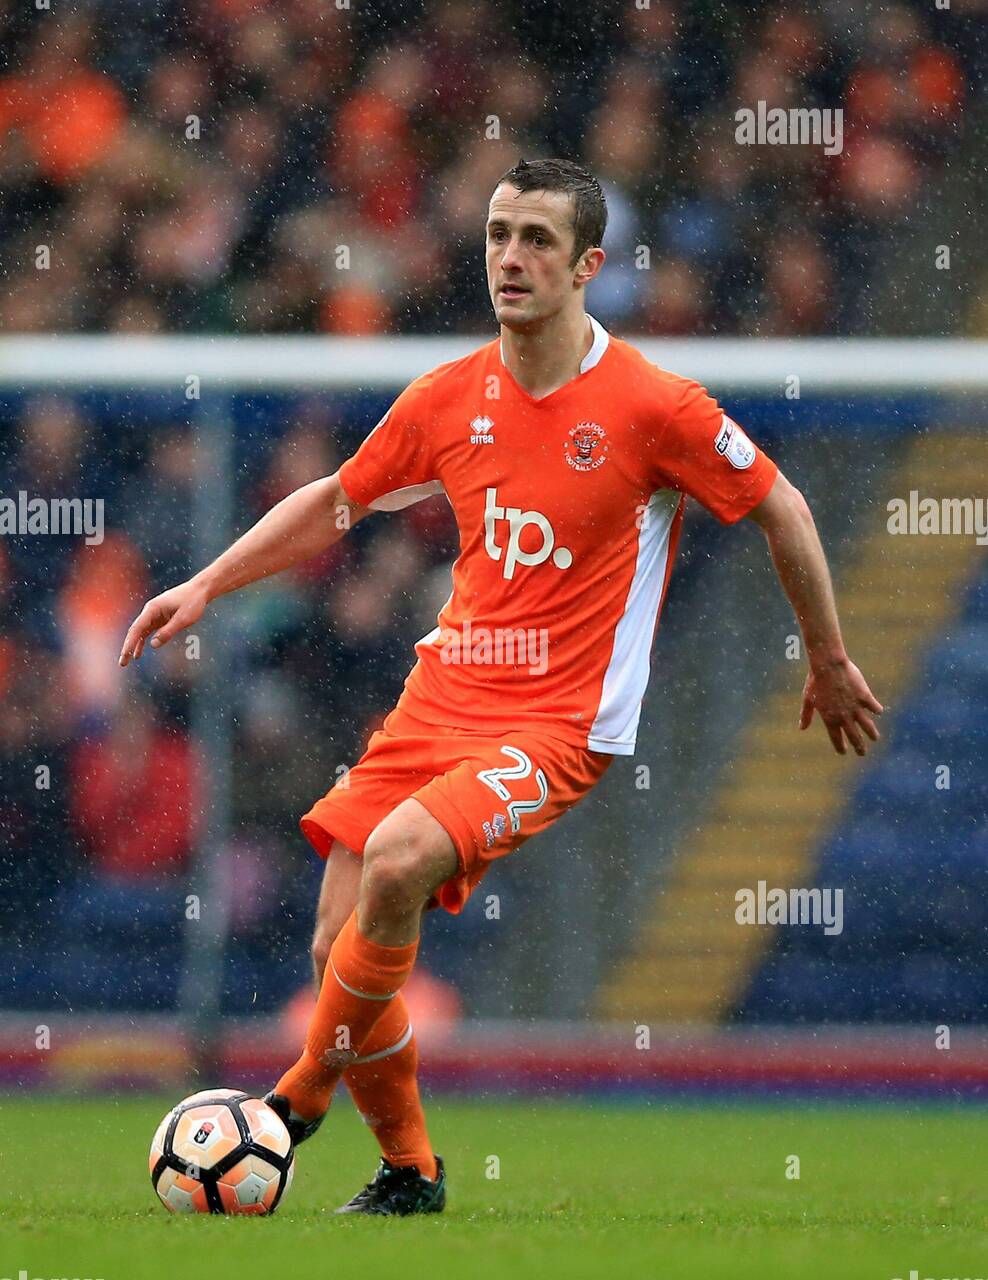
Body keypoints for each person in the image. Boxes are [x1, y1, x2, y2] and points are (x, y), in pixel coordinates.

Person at [119, 158, 883, 1215]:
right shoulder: (447, 396)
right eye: (498, 234)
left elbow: (782, 507)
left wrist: (829, 656)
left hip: (558, 723)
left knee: (392, 865)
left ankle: (288, 1108)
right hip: (441, 697)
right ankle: (409, 1173)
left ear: (587, 266)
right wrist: (206, 582)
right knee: (335, 935)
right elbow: (340, 501)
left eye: (535, 239)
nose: (510, 258)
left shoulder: (652, 405)